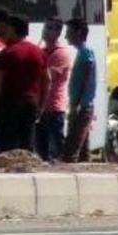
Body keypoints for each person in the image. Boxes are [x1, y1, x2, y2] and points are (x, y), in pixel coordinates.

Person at [0, 14, 49, 153]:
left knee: (7, 144)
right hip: (31, 102)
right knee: (27, 142)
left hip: (9, 103)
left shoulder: (6, 53)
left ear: (12, 29)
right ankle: (26, 170)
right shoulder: (39, 52)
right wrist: (41, 105)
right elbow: (47, 80)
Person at [37, 18, 71, 161]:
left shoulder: (61, 54)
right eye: (45, 27)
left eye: (50, 28)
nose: (45, 31)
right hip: (41, 107)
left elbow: (48, 76)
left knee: (57, 148)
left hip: (54, 107)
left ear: (58, 32)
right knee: (41, 148)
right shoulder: (41, 51)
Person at [64, 18, 97, 163]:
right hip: (79, 104)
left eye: (69, 32)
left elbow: (86, 77)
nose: (66, 36)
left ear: (78, 33)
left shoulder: (86, 52)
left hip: (82, 106)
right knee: (82, 149)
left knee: (72, 147)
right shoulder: (81, 52)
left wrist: (76, 103)